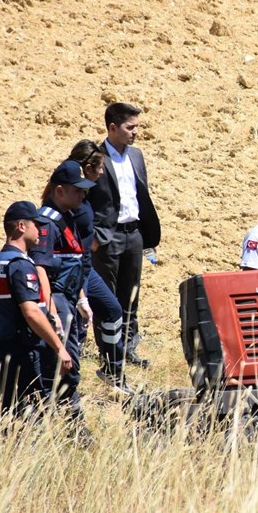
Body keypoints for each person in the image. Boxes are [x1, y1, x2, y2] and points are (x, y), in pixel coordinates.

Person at [86, 102, 161, 369]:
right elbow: (85, 197)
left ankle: (129, 348)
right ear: (113, 127)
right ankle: (108, 353)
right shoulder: (96, 157)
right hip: (107, 238)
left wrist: (147, 237)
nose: (135, 132)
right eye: (130, 127)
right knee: (107, 297)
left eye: (137, 127)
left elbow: (142, 194)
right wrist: (92, 236)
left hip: (134, 234)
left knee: (131, 295)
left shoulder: (136, 156)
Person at [0, 201, 74, 418]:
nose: (40, 230)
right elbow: (31, 311)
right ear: (21, 227)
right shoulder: (21, 265)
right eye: (36, 224)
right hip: (24, 349)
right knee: (35, 413)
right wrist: (59, 347)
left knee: (10, 411)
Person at [32, 160, 96, 420]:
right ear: (59, 191)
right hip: (57, 301)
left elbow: (75, 261)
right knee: (62, 359)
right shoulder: (47, 223)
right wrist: (52, 310)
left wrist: (82, 299)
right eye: (77, 189)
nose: (83, 194)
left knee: (71, 356)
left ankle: (68, 411)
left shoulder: (68, 218)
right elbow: (40, 269)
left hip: (70, 297)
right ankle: (68, 417)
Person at [68, 140, 130, 394]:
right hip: (71, 269)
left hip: (86, 267)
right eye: (99, 168)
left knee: (113, 309)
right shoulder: (67, 198)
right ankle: (68, 386)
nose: (103, 173)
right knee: (78, 326)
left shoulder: (83, 195)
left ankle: (112, 370)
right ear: (87, 167)